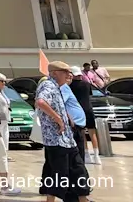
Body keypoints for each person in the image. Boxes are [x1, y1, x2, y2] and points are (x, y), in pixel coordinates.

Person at [35, 61, 90, 202]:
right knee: (59, 176)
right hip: (56, 140)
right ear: (54, 73)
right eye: (65, 71)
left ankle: (83, 199)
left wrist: (67, 117)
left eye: (69, 72)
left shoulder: (58, 87)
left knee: (79, 172)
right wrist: (58, 118)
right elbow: (41, 102)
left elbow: (57, 104)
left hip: (67, 139)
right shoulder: (48, 85)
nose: (69, 74)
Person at [68, 66, 98, 164]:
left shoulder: (70, 85)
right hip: (89, 109)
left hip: (78, 111)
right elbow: (89, 95)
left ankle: (86, 154)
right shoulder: (87, 84)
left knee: (82, 133)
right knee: (92, 132)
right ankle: (97, 156)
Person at [60, 67, 88, 163]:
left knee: (79, 156)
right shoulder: (63, 87)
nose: (70, 76)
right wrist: (68, 117)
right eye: (67, 74)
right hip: (73, 126)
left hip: (77, 125)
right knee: (77, 159)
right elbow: (59, 104)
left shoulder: (66, 87)